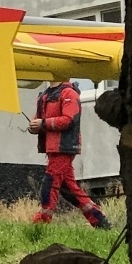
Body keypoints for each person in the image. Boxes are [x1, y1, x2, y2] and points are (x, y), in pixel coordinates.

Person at [28, 80, 110, 228]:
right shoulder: (45, 95)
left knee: (50, 182)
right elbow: (40, 120)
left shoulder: (68, 93)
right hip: (53, 147)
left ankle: (41, 222)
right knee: (69, 189)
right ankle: (99, 220)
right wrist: (35, 127)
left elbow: (69, 120)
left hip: (64, 146)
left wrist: (43, 124)